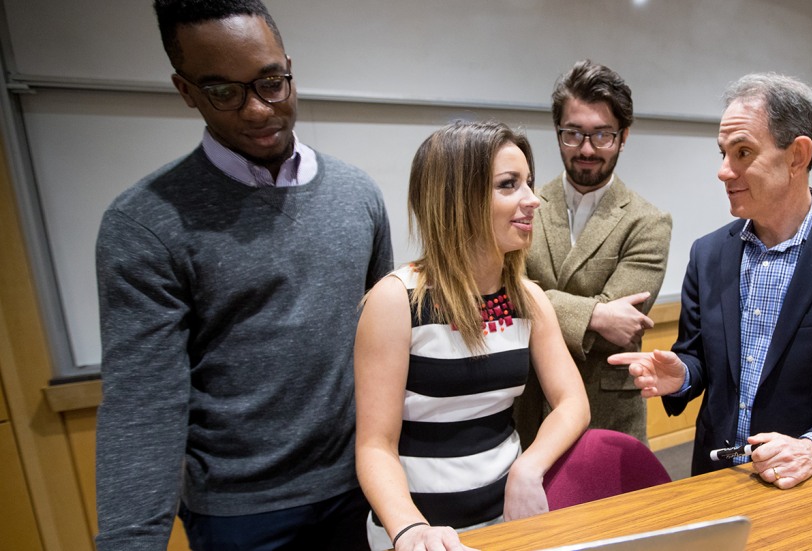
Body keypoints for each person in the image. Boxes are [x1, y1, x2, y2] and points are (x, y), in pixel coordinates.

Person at [94, 1, 393, 549]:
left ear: (288, 69)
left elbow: (387, 350)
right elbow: (142, 405)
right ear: (187, 91)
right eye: (224, 92)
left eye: (270, 82)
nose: (257, 110)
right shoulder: (145, 223)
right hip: (241, 514)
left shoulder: (358, 195)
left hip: (365, 488)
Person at [609, 73, 812, 489]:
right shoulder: (709, 253)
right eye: (722, 153)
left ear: (797, 156)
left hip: (811, 480)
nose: (724, 171)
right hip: (717, 477)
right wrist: (682, 374)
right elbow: (698, 354)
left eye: (742, 152)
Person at [354, 121, 590, 551]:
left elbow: (573, 402)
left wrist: (528, 468)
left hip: (505, 524)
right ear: (457, 198)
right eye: (509, 185)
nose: (532, 200)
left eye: (529, 183)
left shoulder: (528, 299)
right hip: (419, 533)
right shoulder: (396, 300)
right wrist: (409, 528)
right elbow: (375, 446)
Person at [514, 60, 672, 445]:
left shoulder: (648, 221)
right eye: (574, 133)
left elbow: (620, 330)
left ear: (623, 136)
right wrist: (597, 313)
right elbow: (503, 296)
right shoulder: (524, 204)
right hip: (525, 410)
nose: (586, 149)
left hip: (606, 417)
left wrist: (529, 299)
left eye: (602, 135)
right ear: (557, 132)